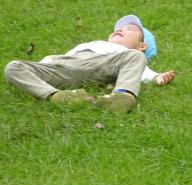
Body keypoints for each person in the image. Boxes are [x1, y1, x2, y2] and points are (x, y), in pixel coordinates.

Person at [4, 15, 175, 113]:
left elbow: (139, 68)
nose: (120, 30)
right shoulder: (92, 43)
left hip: (102, 66)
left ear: (142, 45)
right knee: (13, 67)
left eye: (129, 29)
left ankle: (122, 97)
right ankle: (57, 96)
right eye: (118, 29)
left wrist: (157, 77)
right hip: (65, 67)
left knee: (135, 57)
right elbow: (62, 59)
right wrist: (49, 61)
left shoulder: (128, 54)